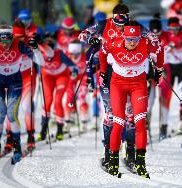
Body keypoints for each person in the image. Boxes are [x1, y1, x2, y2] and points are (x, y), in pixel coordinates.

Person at [79, 3, 160, 168]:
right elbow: (82, 35)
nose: (121, 29)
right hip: (108, 74)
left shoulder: (135, 25)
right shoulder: (104, 24)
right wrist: (92, 39)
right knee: (111, 114)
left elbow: (154, 38)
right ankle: (109, 151)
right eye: (117, 24)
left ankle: (130, 150)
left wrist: (150, 49)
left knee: (130, 115)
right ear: (113, 18)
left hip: (131, 73)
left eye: (123, 24)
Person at [99, 21, 164, 178]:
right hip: (118, 85)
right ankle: (114, 162)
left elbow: (160, 49)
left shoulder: (145, 43)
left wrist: (159, 69)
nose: (132, 42)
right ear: (124, 37)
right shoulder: (114, 43)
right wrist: (102, 72)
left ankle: (140, 163)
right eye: (129, 39)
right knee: (119, 122)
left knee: (140, 122)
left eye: (135, 39)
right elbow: (102, 53)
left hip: (138, 85)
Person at [0, 24, 40, 162]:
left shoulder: (19, 45)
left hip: (15, 80)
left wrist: (36, 50)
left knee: (12, 114)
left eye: (8, 41)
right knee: (1, 113)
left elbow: (40, 62)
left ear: (12, 37)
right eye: (2, 41)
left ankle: (17, 147)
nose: (5, 45)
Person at [4, 20, 45, 152]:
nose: (19, 40)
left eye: (21, 37)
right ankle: (10, 138)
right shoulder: (7, 42)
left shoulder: (29, 41)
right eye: (16, 38)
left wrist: (37, 48)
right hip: (12, 80)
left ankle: (30, 136)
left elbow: (42, 62)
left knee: (27, 108)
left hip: (28, 80)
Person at [37, 37, 78, 141]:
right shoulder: (40, 53)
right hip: (47, 76)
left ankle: (59, 129)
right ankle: (43, 129)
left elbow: (73, 65)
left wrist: (74, 72)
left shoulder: (59, 54)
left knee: (58, 101)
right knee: (48, 101)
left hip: (62, 76)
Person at [158, 17, 182, 139]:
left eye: (176, 29)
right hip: (169, 68)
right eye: (171, 29)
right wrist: (168, 46)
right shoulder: (165, 36)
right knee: (166, 96)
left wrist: (180, 42)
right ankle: (164, 125)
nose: (174, 31)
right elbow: (161, 46)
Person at [64, 40, 89, 133]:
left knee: (82, 97)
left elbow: (90, 67)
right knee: (69, 98)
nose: (74, 56)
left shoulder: (84, 56)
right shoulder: (66, 55)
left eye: (77, 54)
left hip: (83, 76)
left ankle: (84, 122)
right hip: (71, 77)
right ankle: (67, 122)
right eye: (72, 53)